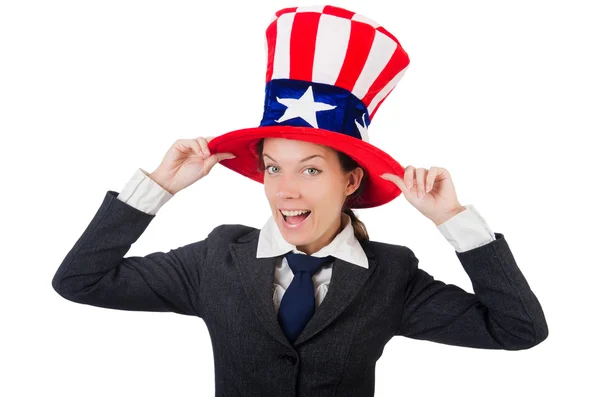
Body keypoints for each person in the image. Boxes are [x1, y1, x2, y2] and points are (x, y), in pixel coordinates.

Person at [51, 5, 548, 397]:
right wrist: (158, 186)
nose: (286, 190)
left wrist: (455, 221)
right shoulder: (216, 259)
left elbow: (518, 329)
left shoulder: (390, 276)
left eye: (311, 169)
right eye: (273, 168)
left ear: (350, 182)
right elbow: (79, 281)